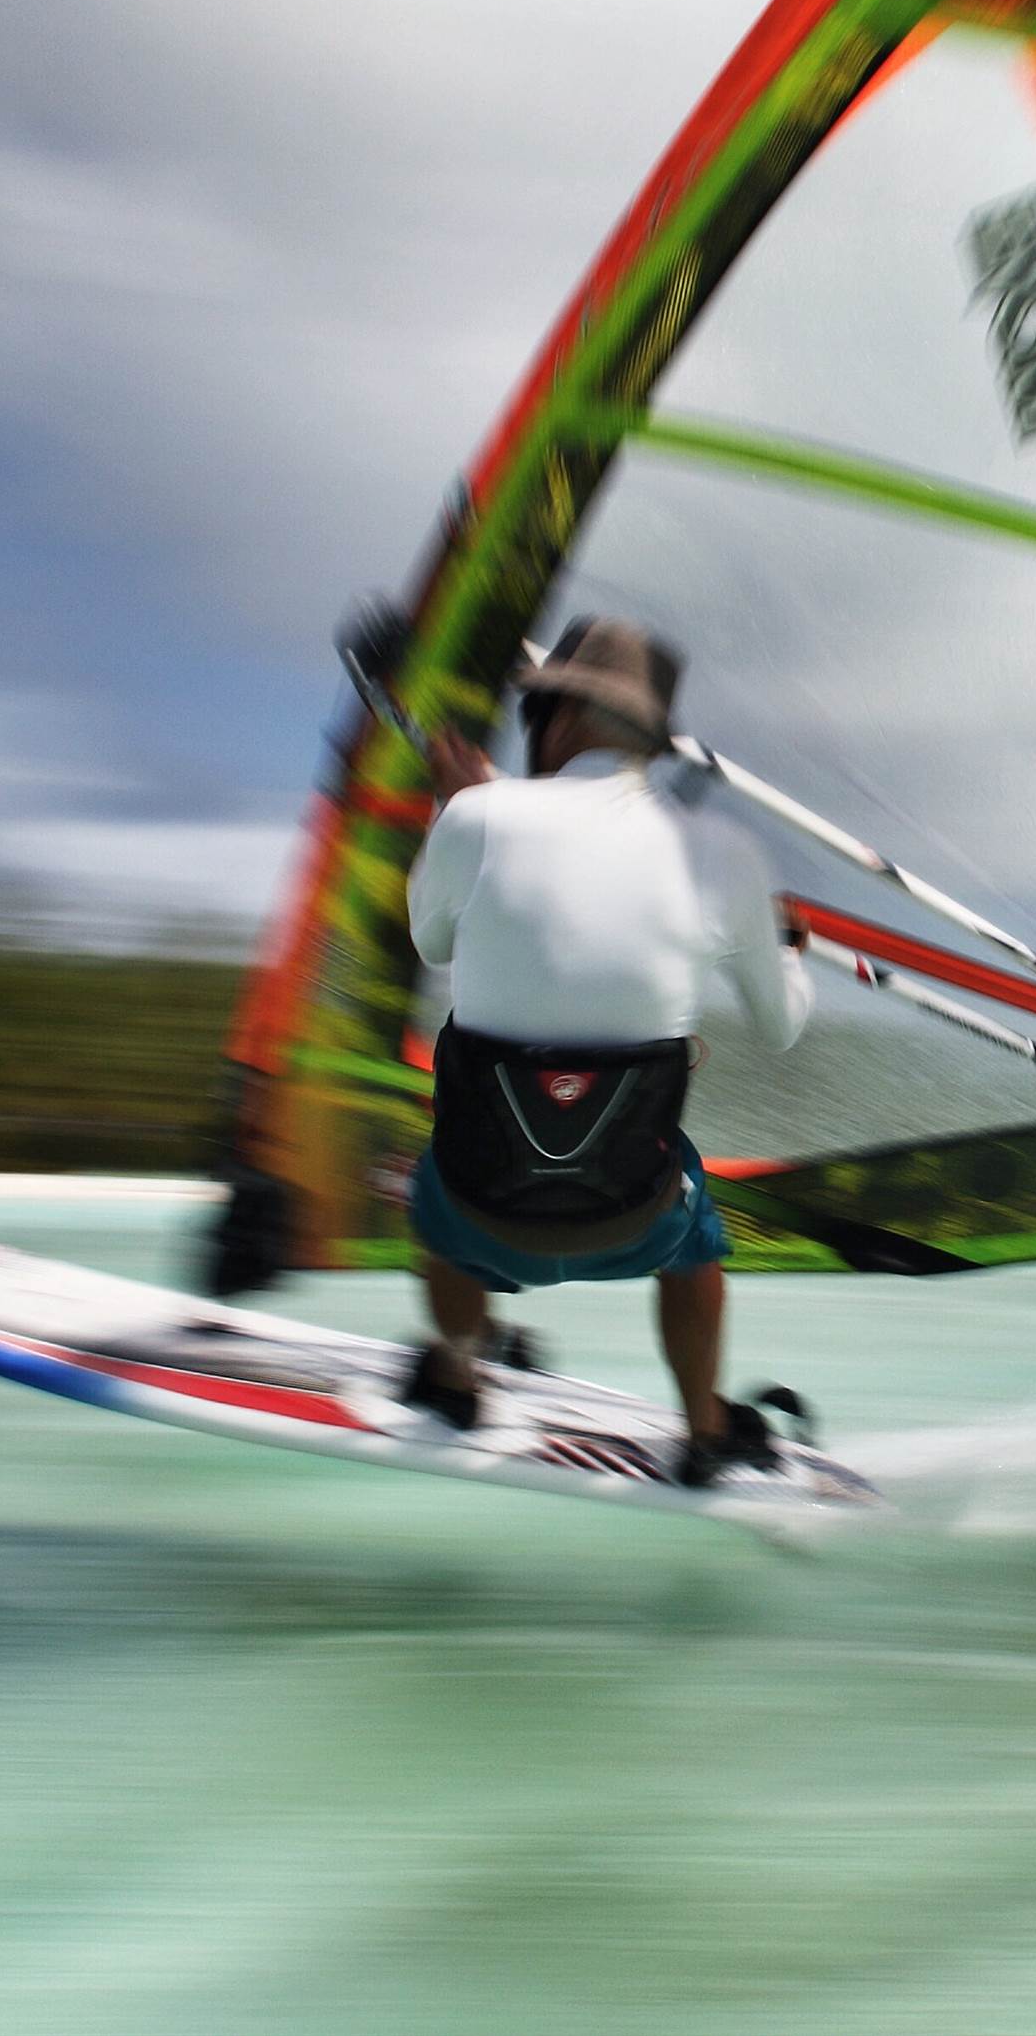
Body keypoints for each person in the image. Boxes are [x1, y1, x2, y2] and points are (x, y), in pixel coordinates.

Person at [398, 616, 812, 1487]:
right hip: (637, 1214)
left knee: (433, 1175)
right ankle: (705, 1430)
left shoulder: (475, 816)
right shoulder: (724, 853)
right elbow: (782, 1027)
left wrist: (453, 812)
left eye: (539, 710)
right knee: (698, 1236)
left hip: (478, 1207)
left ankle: (457, 1374)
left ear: (567, 716)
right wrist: (783, 951)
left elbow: (430, 943)